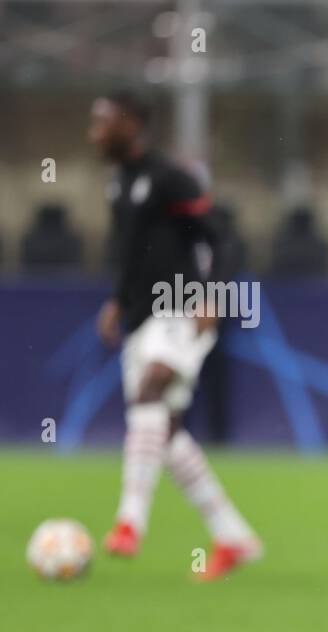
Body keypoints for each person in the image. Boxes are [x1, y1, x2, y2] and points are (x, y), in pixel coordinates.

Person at [90, 90, 261, 580]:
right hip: (144, 315)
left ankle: (129, 523)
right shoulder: (119, 183)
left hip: (181, 304)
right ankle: (233, 535)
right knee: (165, 432)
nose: (94, 132)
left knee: (151, 388)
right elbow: (130, 253)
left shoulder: (171, 178)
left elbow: (222, 238)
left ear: (133, 124)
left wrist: (211, 294)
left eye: (103, 122)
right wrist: (118, 301)